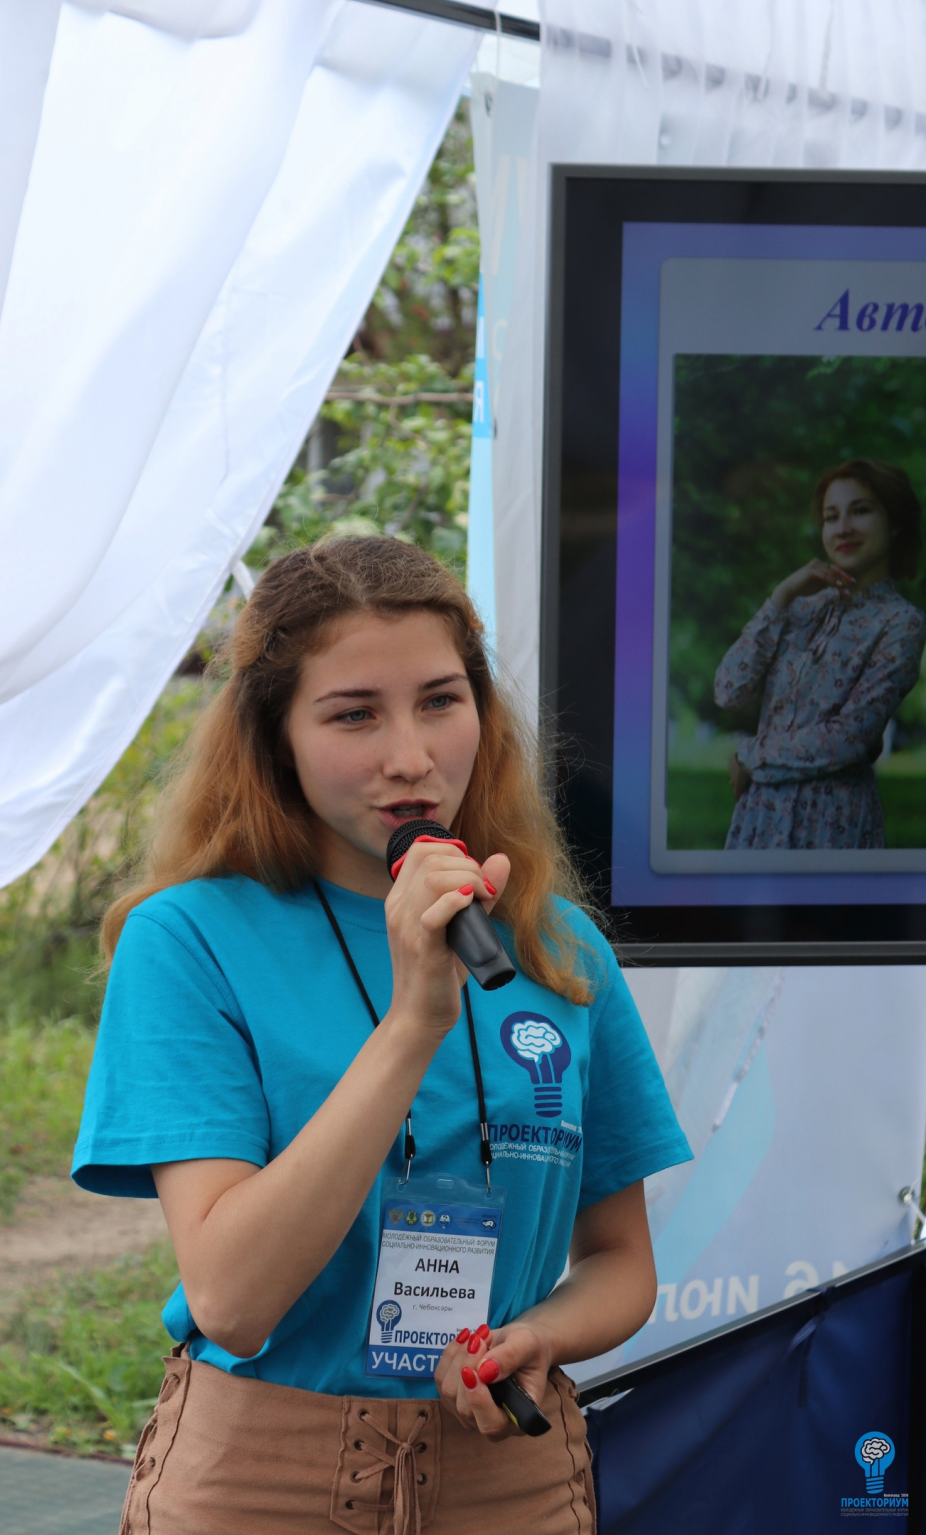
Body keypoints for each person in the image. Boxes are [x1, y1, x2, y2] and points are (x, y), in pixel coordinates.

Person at [73, 536, 690, 1535]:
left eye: (441, 701)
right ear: (274, 736)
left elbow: (621, 1260)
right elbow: (230, 1298)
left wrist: (535, 1334)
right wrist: (413, 1020)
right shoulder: (188, 940)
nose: (410, 757)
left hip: (509, 1478)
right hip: (260, 1478)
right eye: (353, 714)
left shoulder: (556, 947)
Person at [714, 459, 926, 851]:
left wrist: (749, 755)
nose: (843, 527)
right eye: (831, 516)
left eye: (860, 511)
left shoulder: (902, 624)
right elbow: (729, 690)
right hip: (759, 817)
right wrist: (780, 596)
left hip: (832, 822)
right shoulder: (800, 609)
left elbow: (849, 739)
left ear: (895, 522)